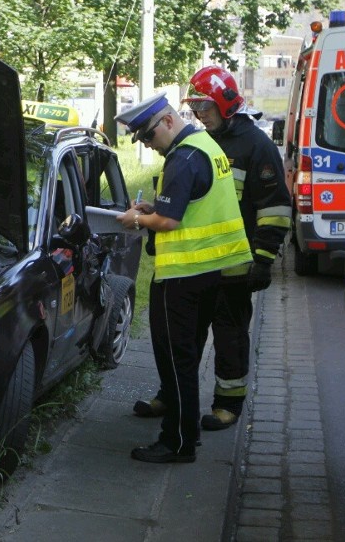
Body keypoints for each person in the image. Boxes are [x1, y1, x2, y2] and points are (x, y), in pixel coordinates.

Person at [132, 68, 292, 433]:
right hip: (198, 263)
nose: (200, 113)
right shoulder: (204, 142)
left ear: (226, 103)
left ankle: (227, 403)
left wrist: (263, 260)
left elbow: (276, 209)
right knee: (183, 338)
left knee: (230, 334)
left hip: (236, 264)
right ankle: (171, 395)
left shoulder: (257, 146)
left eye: (205, 105)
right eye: (195, 106)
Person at [115, 93, 252, 463]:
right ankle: (185, 432)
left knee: (177, 361)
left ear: (168, 122)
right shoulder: (204, 145)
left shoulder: (183, 157)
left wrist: (138, 219)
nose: (148, 145)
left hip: (180, 278)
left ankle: (177, 443)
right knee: (186, 358)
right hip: (207, 273)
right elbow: (194, 203)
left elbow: (171, 221)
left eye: (148, 136)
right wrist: (153, 207)